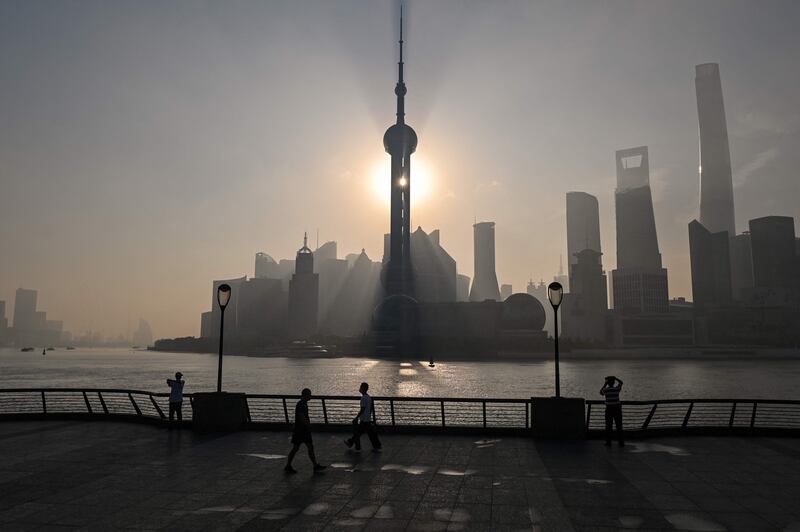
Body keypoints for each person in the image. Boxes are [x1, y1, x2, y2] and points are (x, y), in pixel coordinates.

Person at [285, 388, 326, 473]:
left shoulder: (303, 404)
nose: (311, 396)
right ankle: (288, 465)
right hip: (300, 431)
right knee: (296, 448)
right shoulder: (301, 404)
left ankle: (315, 465)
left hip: (302, 430)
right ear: (305, 395)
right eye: (309, 394)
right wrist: (308, 424)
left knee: (308, 447)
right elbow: (301, 416)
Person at [345, 382, 382, 452]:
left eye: (361, 387)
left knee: (359, 432)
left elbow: (362, 409)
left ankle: (353, 444)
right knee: (369, 433)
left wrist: (356, 417)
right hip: (367, 419)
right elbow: (370, 408)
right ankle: (377, 445)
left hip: (364, 419)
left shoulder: (363, 398)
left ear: (363, 389)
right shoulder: (369, 397)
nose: (360, 388)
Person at [600, 375, 624, 446]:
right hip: (617, 408)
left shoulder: (606, 390)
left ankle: (608, 442)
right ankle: (621, 442)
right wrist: (615, 378)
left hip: (609, 409)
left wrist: (605, 383)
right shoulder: (616, 389)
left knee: (608, 426)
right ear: (613, 383)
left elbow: (601, 392)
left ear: (608, 383)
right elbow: (621, 382)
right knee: (619, 426)